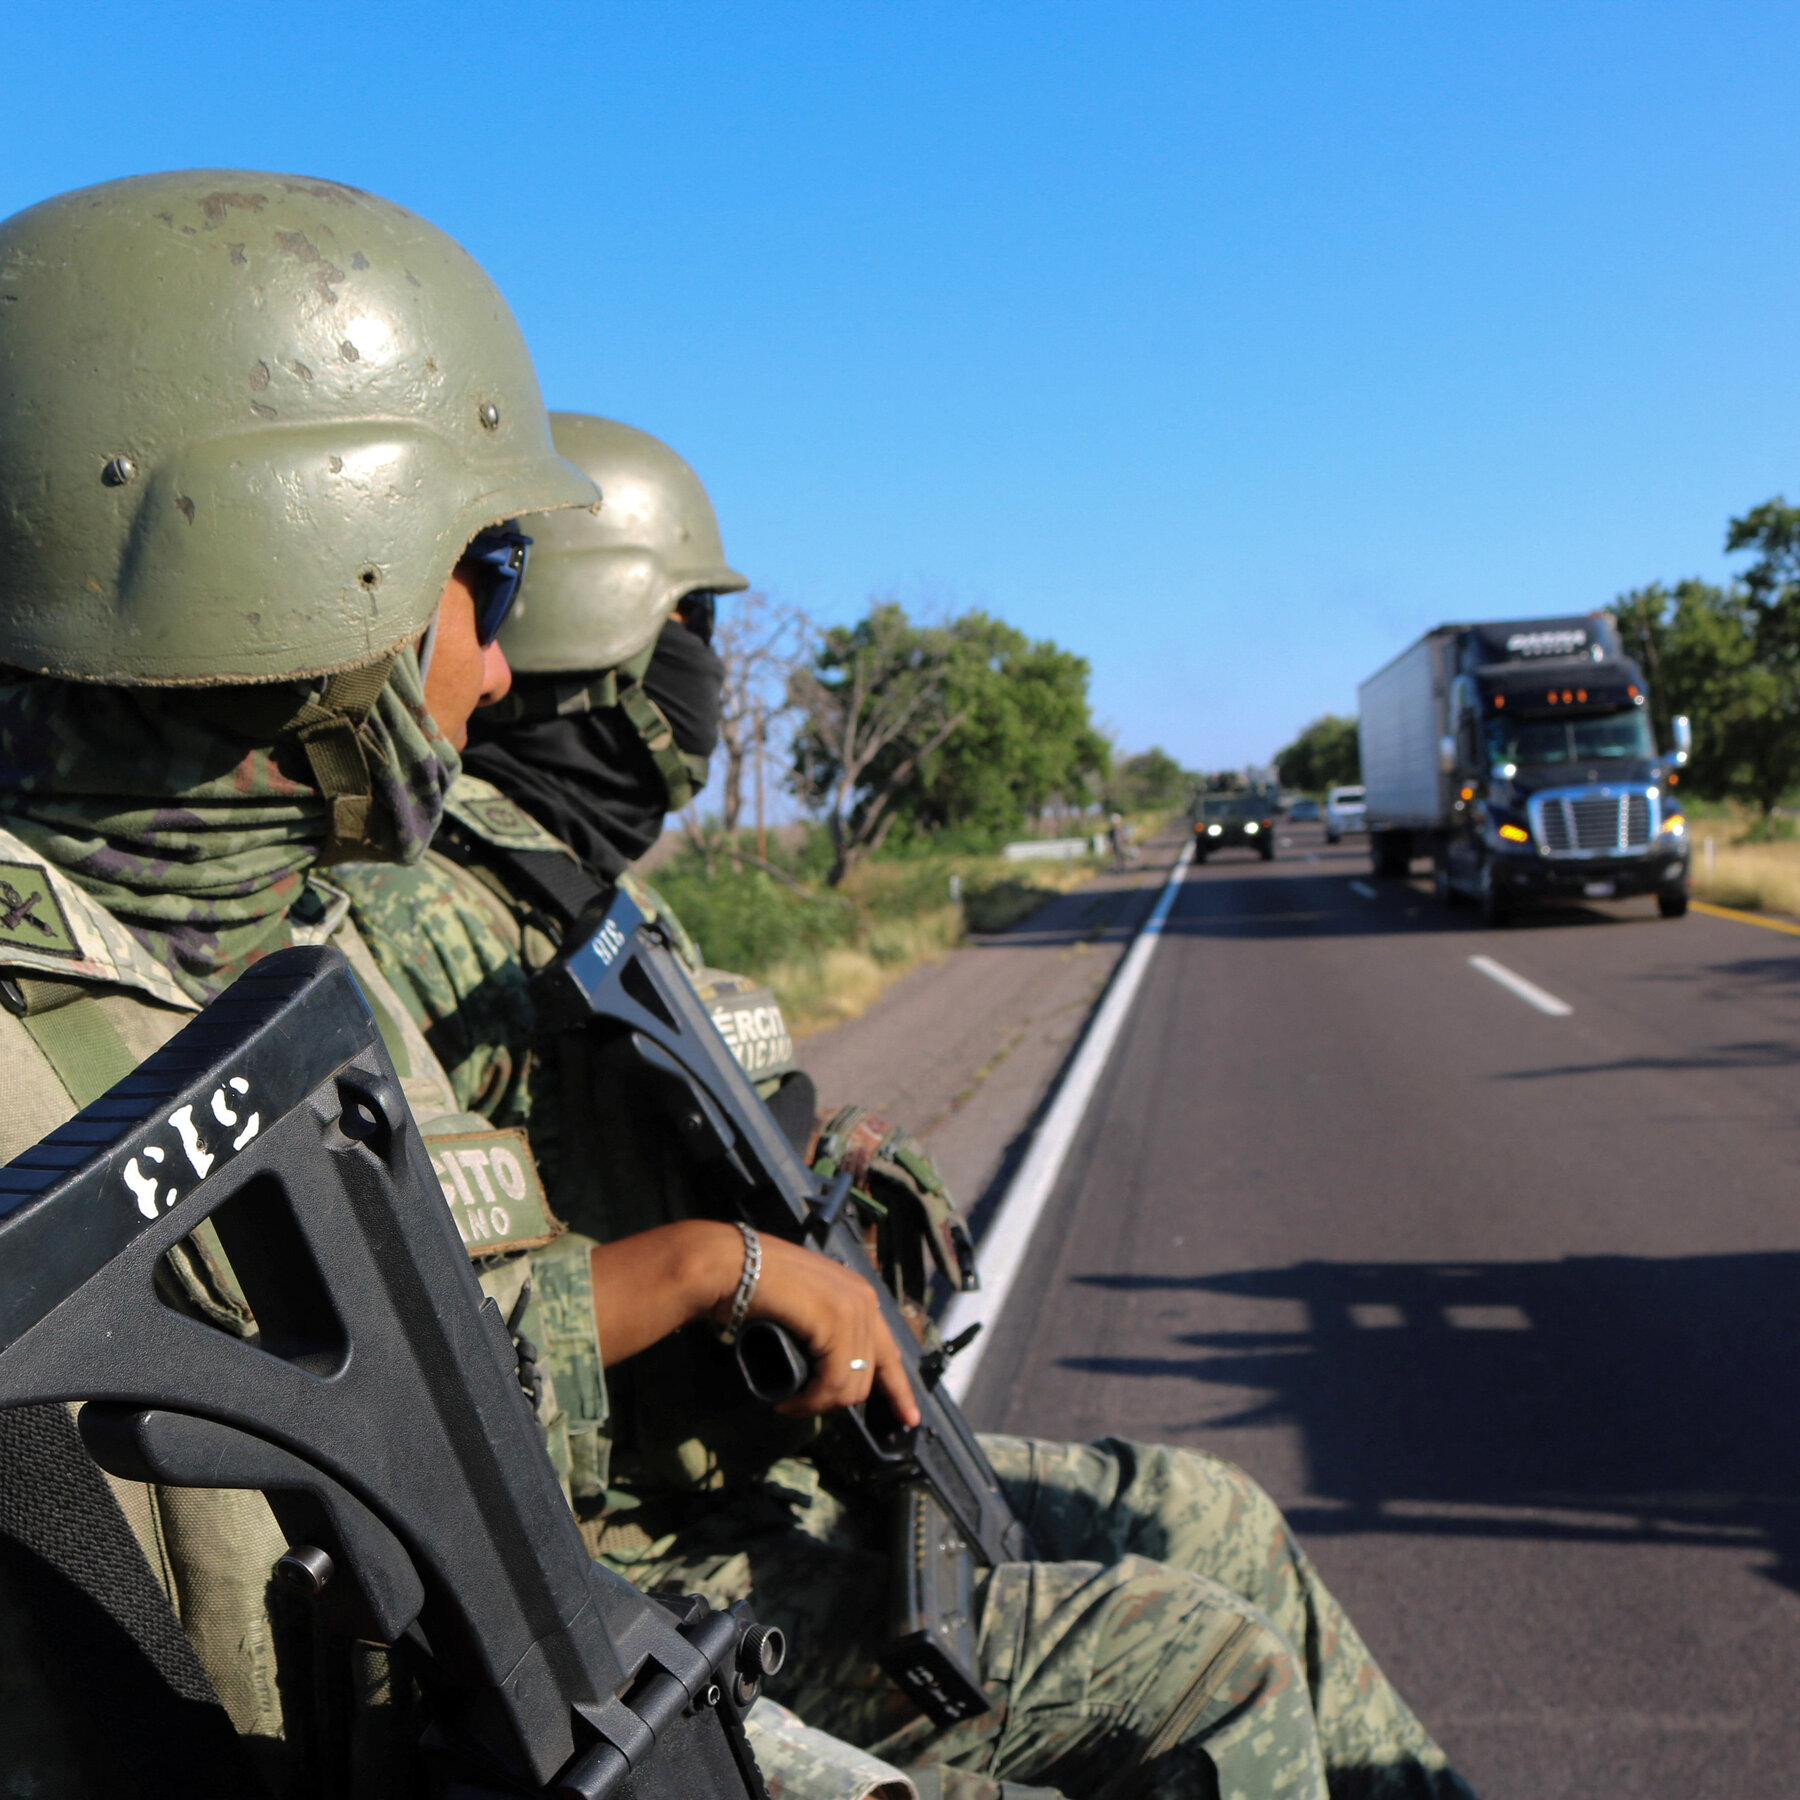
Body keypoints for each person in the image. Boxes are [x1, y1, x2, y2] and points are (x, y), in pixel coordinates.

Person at [342, 415, 1478, 1800]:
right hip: (638, 1554)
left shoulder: (587, 896)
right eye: (694, 628)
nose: (709, 681)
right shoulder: (407, 921)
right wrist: (743, 1273)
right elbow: (435, 1361)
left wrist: (849, 1196)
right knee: (1209, 1667)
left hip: (767, 1460)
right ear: (617, 640)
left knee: (1217, 1518)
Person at [0, 171, 913, 1800]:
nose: (502, 662)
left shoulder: (268, 965)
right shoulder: (55, 1046)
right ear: (300, 562)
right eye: (483, 577)